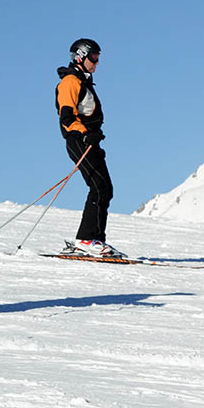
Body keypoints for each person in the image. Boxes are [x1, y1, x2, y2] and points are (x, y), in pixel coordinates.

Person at [55, 38, 121, 257]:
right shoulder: (70, 82)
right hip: (78, 141)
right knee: (99, 187)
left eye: (98, 58)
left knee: (105, 188)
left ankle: (95, 241)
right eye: (94, 57)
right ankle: (87, 239)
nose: (97, 62)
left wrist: (93, 136)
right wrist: (85, 135)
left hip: (89, 142)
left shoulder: (83, 82)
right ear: (80, 57)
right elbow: (66, 117)